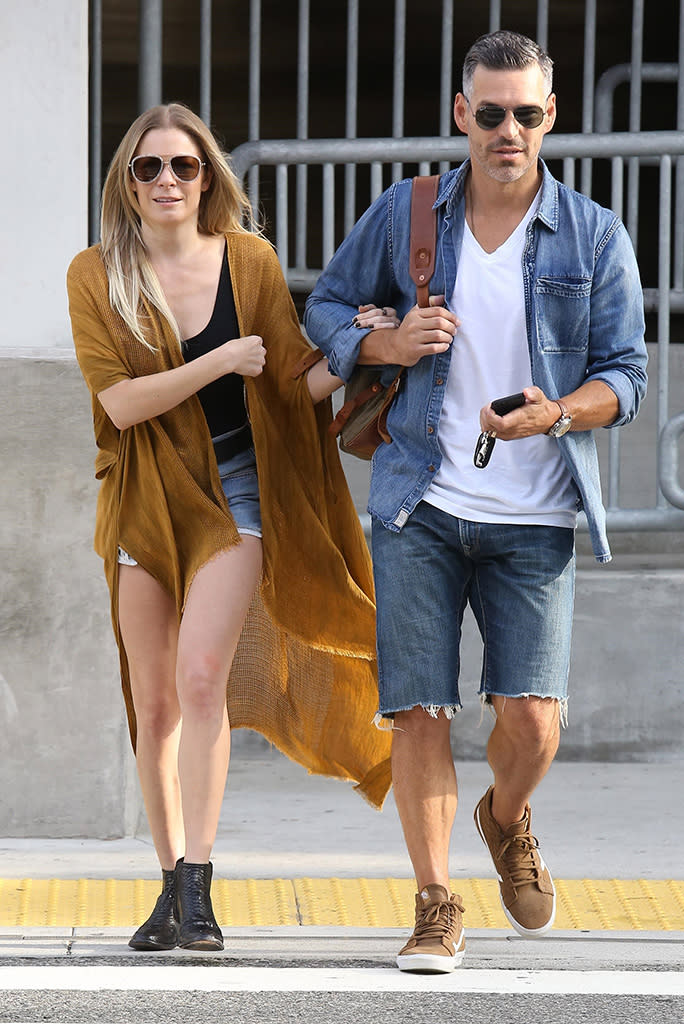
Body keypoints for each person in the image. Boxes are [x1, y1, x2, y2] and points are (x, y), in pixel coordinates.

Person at [305, 30, 647, 973]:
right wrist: (384, 343)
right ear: (461, 114)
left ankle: (505, 817)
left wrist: (559, 412)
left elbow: (629, 373)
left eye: (525, 114)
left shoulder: (593, 234)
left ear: (550, 117)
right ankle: (434, 901)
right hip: (420, 502)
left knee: (533, 719)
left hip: (534, 516)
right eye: (489, 112)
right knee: (417, 711)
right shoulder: (411, 212)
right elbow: (326, 307)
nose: (507, 130)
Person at [67, 102, 394, 952]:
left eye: (184, 166)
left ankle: (201, 888)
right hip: (146, 495)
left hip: (241, 489)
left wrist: (356, 351)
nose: (168, 181)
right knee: (155, 700)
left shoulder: (247, 261)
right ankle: (168, 883)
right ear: (127, 184)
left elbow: (285, 384)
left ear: (208, 177)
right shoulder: (97, 275)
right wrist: (218, 358)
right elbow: (120, 403)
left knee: (203, 675)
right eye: (149, 168)